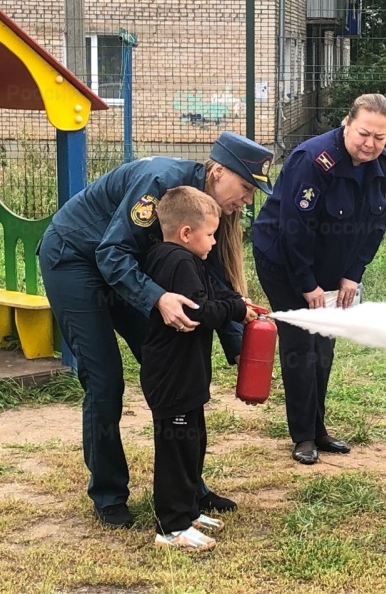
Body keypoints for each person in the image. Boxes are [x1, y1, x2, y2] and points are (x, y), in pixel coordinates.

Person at [39, 131, 274, 526]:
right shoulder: (160, 183)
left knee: (175, 370)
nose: (248, 200)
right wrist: (158, 298)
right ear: (217, 172)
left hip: (124, 270)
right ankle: (109, 495)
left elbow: (210, 277)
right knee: (105, 380)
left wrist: (238, 344)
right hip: (75, 261)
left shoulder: (205, 211)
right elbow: (111, 252)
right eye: (247, 187)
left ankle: (188, 489)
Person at [251, 93, 386, 464]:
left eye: (380, 137)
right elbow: (295, 229)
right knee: (301, 346)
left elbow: (374, 225)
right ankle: (302, 438)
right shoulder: (313, 161)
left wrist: (352, 275)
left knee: (325, 345)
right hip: (284, 263)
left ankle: (319, 430)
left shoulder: (383, 165)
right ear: (347, 124)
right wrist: (307, 284)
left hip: (332, 267)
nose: (370, 144)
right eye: (364, 133)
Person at [141, 186, 257, 551]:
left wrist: (237, 301)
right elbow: (197, 312)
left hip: (186, 376)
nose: (214, 241)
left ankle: (188, 510)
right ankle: (171, 527)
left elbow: (210, 296)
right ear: (186, 234)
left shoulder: (187, 261)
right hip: (171, 377)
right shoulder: (176, 262)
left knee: (192, 442)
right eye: (210, 234)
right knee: (176, 450)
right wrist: (235, 311)